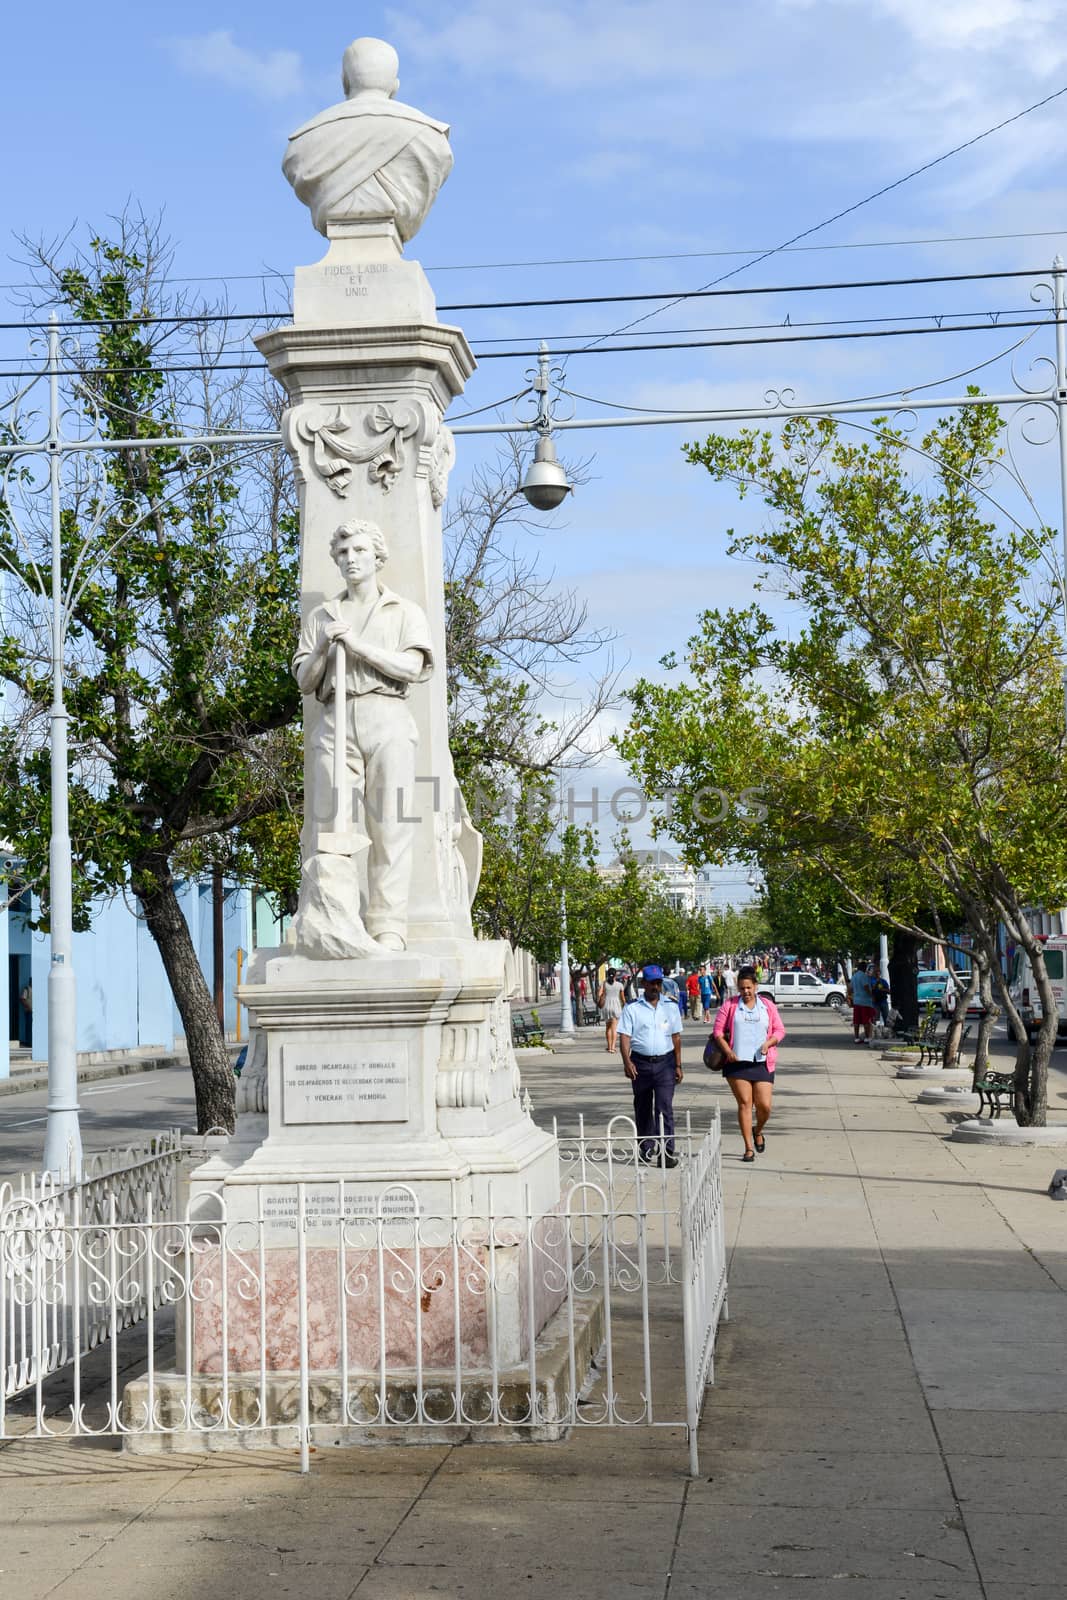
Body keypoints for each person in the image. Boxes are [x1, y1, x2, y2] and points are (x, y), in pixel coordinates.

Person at [293, 518, 433, 951]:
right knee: (329, 823)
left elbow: (413, 668)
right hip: (335, 717)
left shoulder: (404, 611)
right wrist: (322, 647)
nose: (350, 560)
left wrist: (357, 647)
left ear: (377, 557)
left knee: (391, 824)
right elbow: (304, 680)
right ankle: (337, 916)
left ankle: (387, 925)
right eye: (343, 553)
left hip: (387, 714)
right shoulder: (323, 616)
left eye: (358, 552)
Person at [713, 965, 786, 1161]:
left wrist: (768, 1043)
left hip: (762, 1062)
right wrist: (727, 1051)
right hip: (736, 1063)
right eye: (742, 988)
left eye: (749, 988)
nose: (745, 992)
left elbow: (780, 1030)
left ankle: (758, 1130)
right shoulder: (730, 1005)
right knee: (745, 1103)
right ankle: (748, 1148)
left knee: (764, 1106)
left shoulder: (767, 1006)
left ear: (755, 986)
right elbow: (718, 1032)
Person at [618, 965, 684, 1166]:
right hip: (641, 1064)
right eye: (651, 983)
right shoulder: (632, 1008)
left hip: (665, 1063)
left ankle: (667, 1153)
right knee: (643, 1108)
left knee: (664, 1108)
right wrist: (626, 1061)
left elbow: (676, 1037)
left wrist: (679, 1065)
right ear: (644, 984)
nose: (655, 987)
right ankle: (646, 1149)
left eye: (658, 983)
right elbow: (625, 1037)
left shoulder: (670, 1007)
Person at [598, 968, 626, 1055]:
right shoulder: (620, 985)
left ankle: (609, 1046)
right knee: (614, 1028)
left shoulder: (604, 984)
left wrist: (604, 994)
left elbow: (599, 994)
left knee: (608, 1028)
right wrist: (625, 1006)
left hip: (606, 1006)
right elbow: (622, 998)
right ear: (615, 975)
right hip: (616, 1007)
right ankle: (613, 1048)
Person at [850, 960, 877, 1045]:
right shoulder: (864, 976)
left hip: (856, 1001)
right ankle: (867, 1037)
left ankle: (857, 1037)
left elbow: (850, 988)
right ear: (864, 968)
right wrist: (872, 996)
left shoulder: (854, 976)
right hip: (865, 1001)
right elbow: (866, 987)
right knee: (866, 1020)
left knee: (856, 1021)